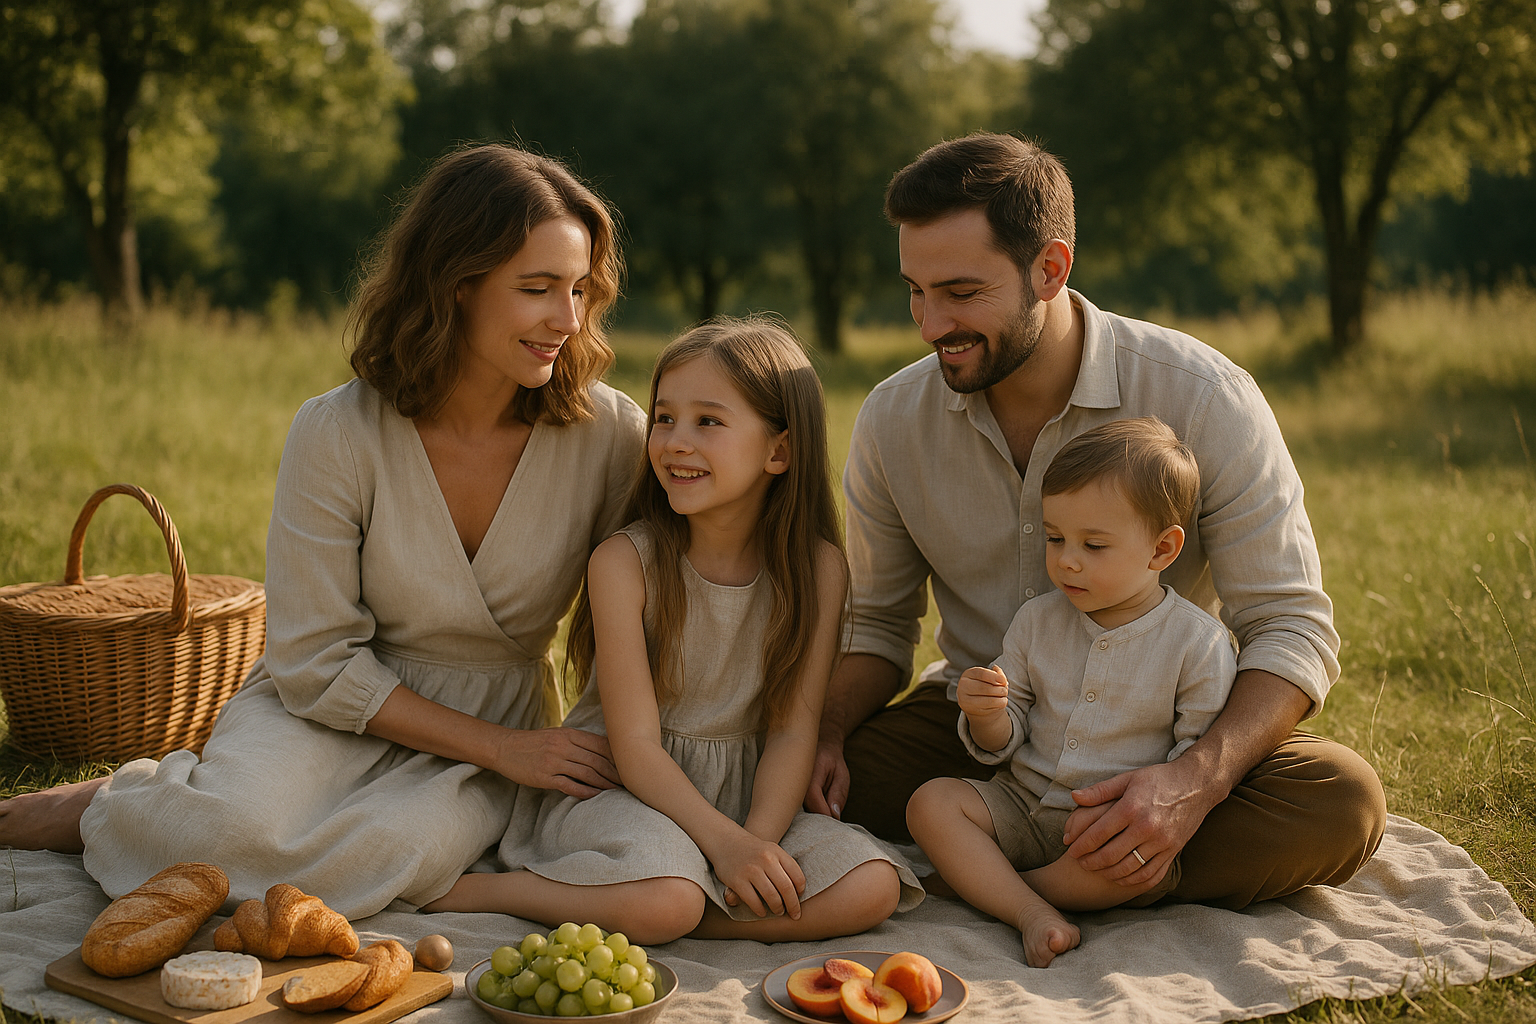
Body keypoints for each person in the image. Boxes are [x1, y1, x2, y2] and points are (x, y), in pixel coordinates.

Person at [0, 144, 647, 920]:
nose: (568, 320)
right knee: (227, 834)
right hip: (333, 702)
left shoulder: (609, 436)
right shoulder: (338, 429)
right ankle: (120, 801)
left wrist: (542, 748)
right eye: (537, 288)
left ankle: (162, 795)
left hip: (497, 716)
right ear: (458, 285)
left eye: (579, 289)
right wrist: (501, 751)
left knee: (379, 860)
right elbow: (311, 659)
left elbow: (642, 620)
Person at [805, 132, 1388, 910]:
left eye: (960, 292)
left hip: (1157, 741)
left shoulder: (1205, 397)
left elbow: (1290, 627)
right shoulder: (891, 419)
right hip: (984, 732)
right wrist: (826, 732)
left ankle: (1030, 882)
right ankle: (1103, 877)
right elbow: (877, 626)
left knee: (1341, 801)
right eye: (915, 289)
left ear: (1049, 270)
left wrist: (1193, 783)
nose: (928, 323)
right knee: (808, 777)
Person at [425, 316, 922, 942]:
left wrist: (754, 845)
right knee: (666, 896)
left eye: (708, 421)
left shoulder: (819, 569)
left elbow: (793, 732)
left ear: (779, 450)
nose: (675, 441)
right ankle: (496, 891)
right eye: (664, 417)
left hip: (750, 796)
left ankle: (683, 913)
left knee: (873, 883)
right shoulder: (624, 563)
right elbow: (635, 748)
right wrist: (726, 847)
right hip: (626, 790)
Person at [908, 417, 1236, 967]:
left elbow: (1192, 754)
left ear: (1162, 550)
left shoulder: (1196, 643)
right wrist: (987, 713)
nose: (1067, 560)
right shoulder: (1038, 620)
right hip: (1020, 800)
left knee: (1133, 864)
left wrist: (1132, 817)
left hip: (1105, 825)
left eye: (1094, 544)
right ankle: (1026, 906)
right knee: (931, 803)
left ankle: (1010, 890)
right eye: (1055, 538)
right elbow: (1007, 733)